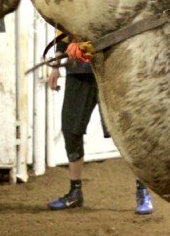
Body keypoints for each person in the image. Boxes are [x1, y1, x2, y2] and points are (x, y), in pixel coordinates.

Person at [47, 38, 154, 214]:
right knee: (70, 128)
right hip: (78, 72)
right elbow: (62, 36)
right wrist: (55, 67)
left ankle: (143, 191)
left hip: (110, 71)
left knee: (126, 131)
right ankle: (75, 192)